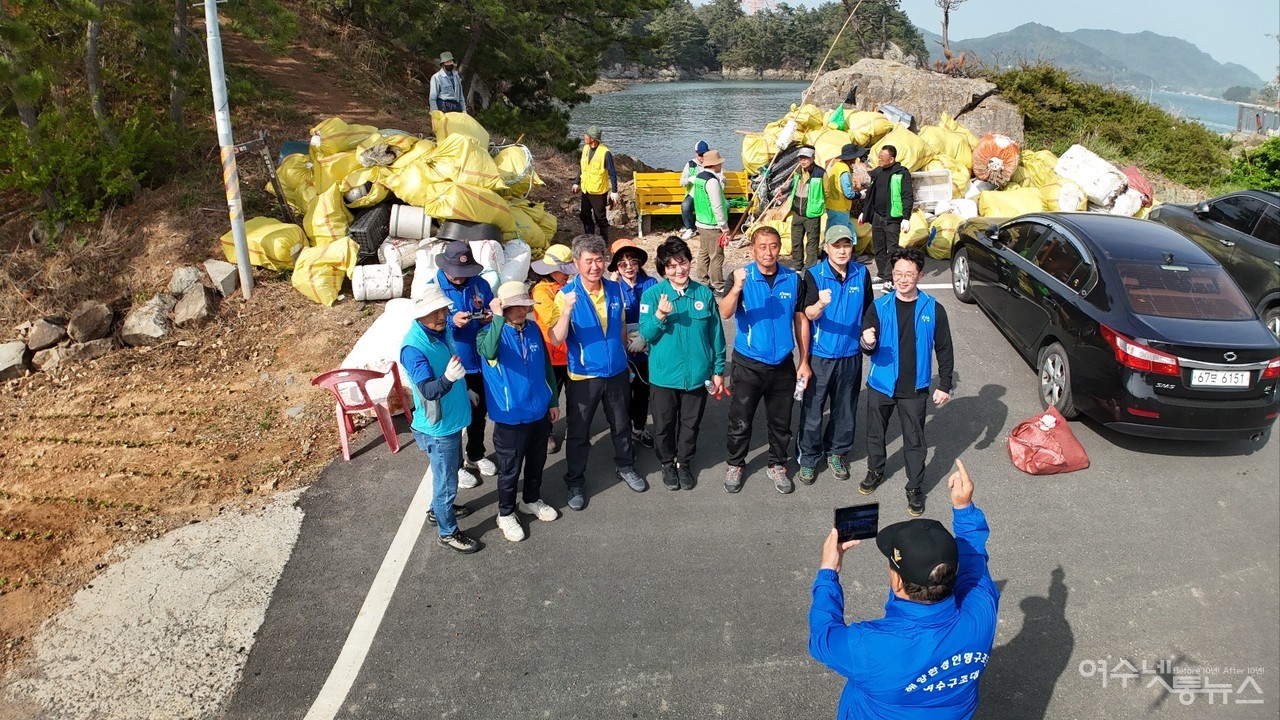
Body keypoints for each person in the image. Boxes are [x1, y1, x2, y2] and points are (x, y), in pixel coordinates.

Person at [808, 459, 999, 719]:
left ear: (897, 582)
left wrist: (828, 571)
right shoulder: (982, 610)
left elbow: (823, 638)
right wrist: (964, 508)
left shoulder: (868, 647)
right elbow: (975, 563)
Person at [546, 234, 647, 510]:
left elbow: (622, 325)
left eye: (599, 260)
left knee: (621, 424)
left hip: (615, 372)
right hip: (584, 376)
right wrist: (566, 311)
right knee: (579, 433)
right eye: (589, 261)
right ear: (577, 263)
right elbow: (555, 339)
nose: (595, 266)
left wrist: (624, 356)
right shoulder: (565, 295)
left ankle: (625, 466)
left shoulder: (614, 289)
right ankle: (575, 481)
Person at [859, 247, 954, 517]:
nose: (902, 279)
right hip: (881, 384)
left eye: (909, 274)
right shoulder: (879, 306)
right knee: (875, 434)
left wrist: (945, 384)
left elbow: (944, 349)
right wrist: (867, 341)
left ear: (920, 275)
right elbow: (865, 343)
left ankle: (914, 488)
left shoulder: (934, 308)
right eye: (898, 273)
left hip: (915, 388)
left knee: (915, 440)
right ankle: (875, 471)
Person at [718, 226, 811, 495]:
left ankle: (777, 464)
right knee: (740, 419)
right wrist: (736, 287)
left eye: (773, 246)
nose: (768, 252)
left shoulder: (793, 279)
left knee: (781, 421)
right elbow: (725, 312)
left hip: (782, 363)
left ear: (779, 248)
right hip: (748, 363)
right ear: (753, 249)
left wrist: (803, 360)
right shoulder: (741, 277)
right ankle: (735, 463)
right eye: (762, 246)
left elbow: (800, 320)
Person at [476, 281, 562, 542]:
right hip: (510, 416)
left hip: (538, 412)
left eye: (526, 306)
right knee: (510, 469)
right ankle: (505, 513)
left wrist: (553, 400)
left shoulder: (534, 329)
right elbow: (488, 351)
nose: (523, 311)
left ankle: (531, 500)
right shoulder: (487, 334)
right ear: (504, 308)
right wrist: (498, 319)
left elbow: (546, 367)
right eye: (517, 306)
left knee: (537, 461)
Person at [639, 237, 726, 491]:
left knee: (690, 424)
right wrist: (659, 316)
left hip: (697, 375)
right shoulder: (653, 295)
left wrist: (718, 369)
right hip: (664, 376)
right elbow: (645, 334)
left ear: (690, 262)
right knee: (664, 425)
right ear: (663, 269)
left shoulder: (703, 293)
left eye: (683, 263)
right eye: (672, 266)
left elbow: (716, 334)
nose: (679, 270)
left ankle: (684, 463)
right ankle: (667, 463)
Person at [400, 286, 483, 554]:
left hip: (451, 419)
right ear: (420, 315)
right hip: (439, 428)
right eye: (434, 312)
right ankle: (447, 532)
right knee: (446, 481)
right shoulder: (413, 349)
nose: (441, 315)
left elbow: (451, 363)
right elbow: (428, 390)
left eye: (443, 309)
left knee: (445, 474)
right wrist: (449, 379)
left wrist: (464, 388)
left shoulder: (441, 329)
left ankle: (439, 511)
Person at [795, 224, 872, 486]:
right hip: (821, 354)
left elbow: (869, 311)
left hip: (850, 354)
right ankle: (808, 458)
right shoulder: (814, 275)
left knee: (845, 409)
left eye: (846, 245)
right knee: (813, 410)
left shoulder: (862, 273)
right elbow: (808, 314)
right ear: (826, 248)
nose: (842, 250)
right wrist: (819, 304)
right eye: (836, 245)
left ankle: (837, 452)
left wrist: (869, 337)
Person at [430, 240, 497, 483]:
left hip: (480, 361)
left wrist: (489, 316)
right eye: (456, 274)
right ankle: (455, 466)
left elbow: (491, 305)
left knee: (480, 413)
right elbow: (424, 326)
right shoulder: (433, 289)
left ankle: (476, 454)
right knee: (455, 419)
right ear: (445, 267)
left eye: (465, 273)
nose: (460, 278)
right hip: (453, 366)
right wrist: (450, 322)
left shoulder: (480, 283)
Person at [609, 238, 659, 449]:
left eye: (633, 260)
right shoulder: (611, 287)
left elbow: (661, 314)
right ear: (616, 267)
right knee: (621, 397)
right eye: (622, 262)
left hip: (647, 348)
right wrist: (613, 285)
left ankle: (639, 428)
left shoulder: (651, 284)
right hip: (622, 350)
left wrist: (646, 339)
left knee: (642, 392)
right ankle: (623, 433)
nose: (628, 266)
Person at [531, 244, 577, 454]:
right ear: (550, 269)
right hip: (552, 355)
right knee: (550, 396)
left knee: (576, 396)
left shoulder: (566, 287)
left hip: (571, 353)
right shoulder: (541, 291)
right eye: (563, 271)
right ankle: (546, 432)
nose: (567, 276)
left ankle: (576, 430)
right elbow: (554, 319)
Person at [859, 145, 914, 289]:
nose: (879, 159)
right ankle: (882, 274)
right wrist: (864, 212)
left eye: (882, 157)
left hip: (893, 218)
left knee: (892, 249)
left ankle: (890, 278)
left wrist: (906, 218)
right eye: (879, 156)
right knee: (879, 247)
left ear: (892, 159)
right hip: (877, 216)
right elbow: (870, 194)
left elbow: (907, 196)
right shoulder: (878, 172)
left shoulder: (902, 173)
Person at [691, 149, 731, 297]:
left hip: (701, 221)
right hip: (712, 224)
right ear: (715, 165)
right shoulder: (712, 181)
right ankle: (719, 284)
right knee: (716, 255)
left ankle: (702, 281)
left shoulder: (699, 178)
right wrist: (724, 225)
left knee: (704, 252)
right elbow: (717, 205)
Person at [571, 126, 619, 242]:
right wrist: (576, 182)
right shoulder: (585, 148)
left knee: (600, 218)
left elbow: (612, 173)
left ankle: (604, 241)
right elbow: (582, 168)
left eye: (586, 135)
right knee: (585, 215)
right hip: (586, 189)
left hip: (598, 191)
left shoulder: (605, 153)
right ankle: (589, 238)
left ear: (593, 138)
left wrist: (614, 191)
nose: (584, 137)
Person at [786, 146, 826, 269]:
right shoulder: (798, 171)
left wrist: (821, 207)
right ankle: (797, 265)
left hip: (812, 213)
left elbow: (827, 192)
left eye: (806, 158)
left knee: (812, 242)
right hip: (797, 211)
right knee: (796, 241)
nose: (803, 161)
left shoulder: (820, 173)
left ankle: (810, 268)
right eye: (801, 159)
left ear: (813, 158)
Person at [824, 144, 865, 241]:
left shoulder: (836, 166)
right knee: (840, 236)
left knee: (832, 233)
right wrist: (860, 195)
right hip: (840, 208)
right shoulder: (844, 171)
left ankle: (828, 254)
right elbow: (848, 193)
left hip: (832, 205)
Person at [679, 140, 710, 240]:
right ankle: (689, 228)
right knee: (686, 205)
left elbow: (722, 178)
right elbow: (682, 181)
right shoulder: (690, 164)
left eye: (705, 154)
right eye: (700, 154)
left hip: (708, 194)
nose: (702, 157)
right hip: (693, 194)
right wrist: (689, 180)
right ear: (696, 153)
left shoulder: (712, 163)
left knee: (725, 205)